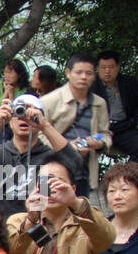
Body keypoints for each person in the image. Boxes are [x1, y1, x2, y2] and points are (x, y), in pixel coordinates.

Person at [0, 94, 82, 219]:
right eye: (18, 113)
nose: (23, 118)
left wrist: (44, 125)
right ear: (10, 119)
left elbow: (75, 163)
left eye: (30, 114)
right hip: (2, 228)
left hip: (38, 226)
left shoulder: (49, 159)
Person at [41, 52, 113, 195]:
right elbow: (37, 135)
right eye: (79, 72)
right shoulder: (49, 101)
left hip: (83, 170)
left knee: (79, 210)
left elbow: (105, 134)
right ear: (68, 73)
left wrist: (99, 144)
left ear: (94, 76)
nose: (84, 77)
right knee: (45, 206)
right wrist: (66, 148)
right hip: (49, 168)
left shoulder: (99, 103)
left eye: (89, 73)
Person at [91, 51, 138, 167]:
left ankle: (128, 180)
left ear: (118, 67)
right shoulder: (91, 85)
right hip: (99, 131)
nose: (107, 71)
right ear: (98, 68)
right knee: (85, 147)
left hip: (123, 128)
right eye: (103, 67)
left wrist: (133, 121)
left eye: (111, 67)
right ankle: (87, 184)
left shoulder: (129, 82)